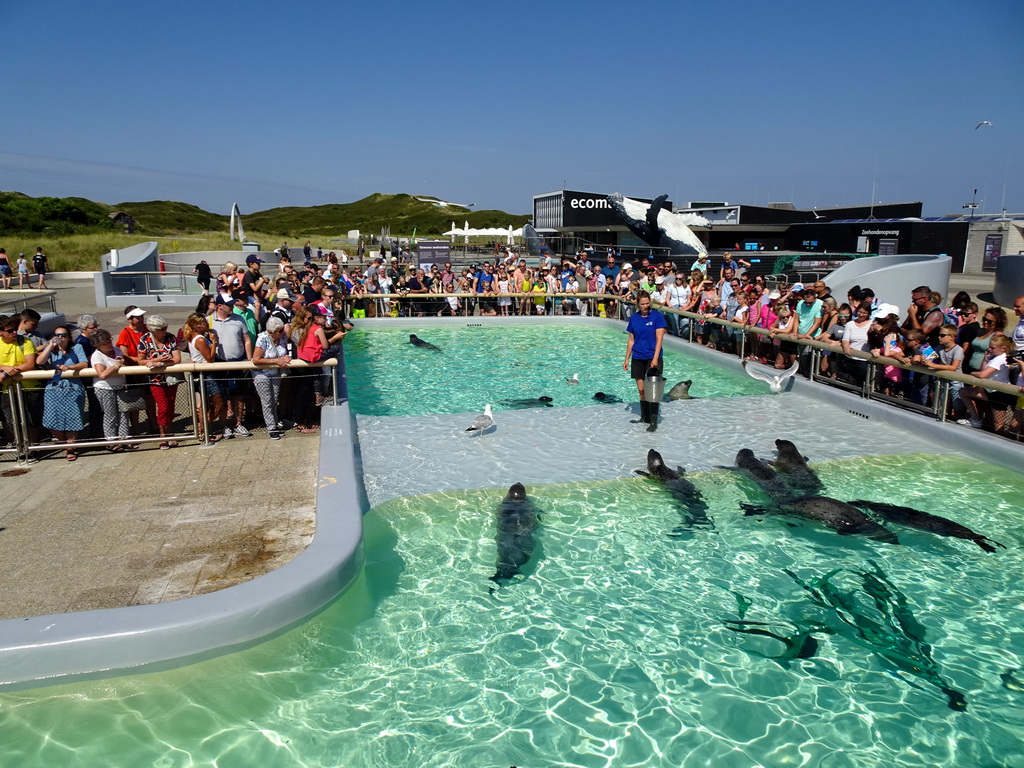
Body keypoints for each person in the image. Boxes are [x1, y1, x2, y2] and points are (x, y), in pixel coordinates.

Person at [37, 325, 88, 459]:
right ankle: (65, 443)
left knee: (74, 417)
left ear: (69, 337)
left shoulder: (77, 347)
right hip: (54, 388)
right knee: (51, 419)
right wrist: (49, 345)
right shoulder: (52, 350)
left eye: (63, 335)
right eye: (57, 335)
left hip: (73, 387)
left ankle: (70, 448)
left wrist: (69, 367)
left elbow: (84, 364)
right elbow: (39, 361)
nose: (60, 338)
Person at [136, 314, 182, 449]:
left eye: (165, 327)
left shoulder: (170, 337)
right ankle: (163, 435)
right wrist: (157, 361)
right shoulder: (144, 340)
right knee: (162, 407)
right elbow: (141, 361)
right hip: (155, 379)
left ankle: (170, 431)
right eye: (162, 328)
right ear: (153, 330)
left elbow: (177, 359)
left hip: (170, 377)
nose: (165, 330)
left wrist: (161, 362)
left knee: (171, 405)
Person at [210, 295, 253, 439]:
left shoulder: (239, 319)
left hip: (238, 361)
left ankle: (238, 423)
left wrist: (249, 359)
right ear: (220, 306)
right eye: (228, 305)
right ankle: (224, 426)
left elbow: (246, 339)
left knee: (239, 394)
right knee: (222, 396)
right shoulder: (209, 321)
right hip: (219, 362)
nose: (232, 307)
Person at [623, 291, 666, 432]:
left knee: (652, 391)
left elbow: (659, 339)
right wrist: (627, 358)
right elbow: (631, 340)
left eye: (647, 303)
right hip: (638, 357)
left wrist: (655, 358)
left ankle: (653, 421)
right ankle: (644, 416)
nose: (645, 306)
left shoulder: (657, 317)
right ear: (638, 304)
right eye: (643, 304)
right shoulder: (634, 318)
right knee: (641, 390)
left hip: (652, 357)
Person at [182, 313, 226, 443]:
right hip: (206, 374)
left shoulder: (194, 337)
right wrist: (214, 343)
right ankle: (203, 429)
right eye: (203, 323)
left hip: (203, 373)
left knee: (205, 404)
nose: (206, 325)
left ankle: (204, 430)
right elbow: (210, 359)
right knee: (218, 403)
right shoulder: (199, 339)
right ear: (195, 326)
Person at [89, 328, 131, 450]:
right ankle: (111, 441)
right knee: (110, 415)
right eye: (105, 343)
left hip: (120, 386)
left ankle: (124, 439)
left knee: (123, 413)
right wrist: (116, 365)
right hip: (105, 388)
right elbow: (102, 374)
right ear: (98, 345)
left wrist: (122, 363)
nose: (109, 345)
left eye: (109, 341)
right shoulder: (97, 356)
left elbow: (123, 367)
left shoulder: (117, 350)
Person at [0, 314, 39, 446]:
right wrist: (4, 367)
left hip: (29, 388)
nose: (14, 332)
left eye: (15, 329)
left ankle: (31, 447)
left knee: (31, 420)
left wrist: (6, 372)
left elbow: (30, 364)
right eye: (10, 331)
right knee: (12, 420)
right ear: (1, 332)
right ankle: (20, 446)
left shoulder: (25, 342)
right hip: (6, 391)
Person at [251, 317, 291, 440]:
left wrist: (285, 357)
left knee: (274, 399)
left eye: (282, 330)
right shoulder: (263, 339)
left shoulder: (282, 338)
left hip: (275, 373)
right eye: (279, 331)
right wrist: (275, 360)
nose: (281, 333)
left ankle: (275, 422)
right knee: (267, 401)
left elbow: (284, 351)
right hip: (261, 374)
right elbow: (256, 359)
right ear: (271, 332)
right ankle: (271, 427)